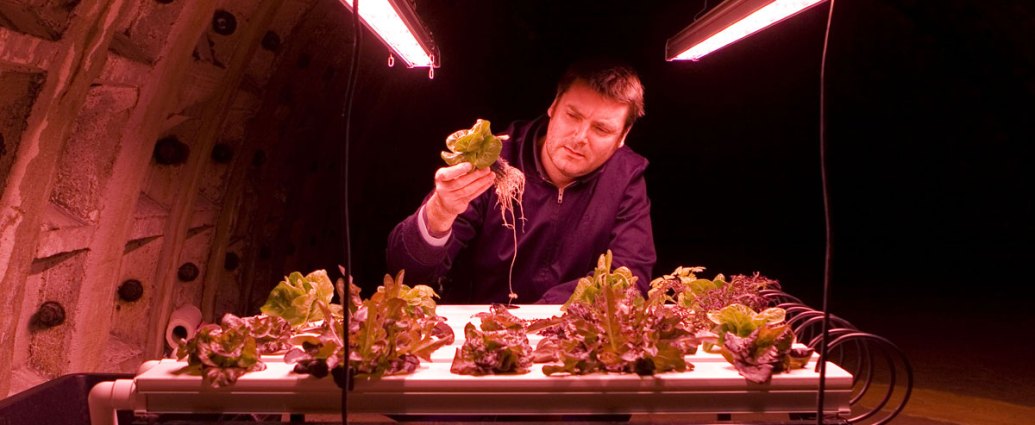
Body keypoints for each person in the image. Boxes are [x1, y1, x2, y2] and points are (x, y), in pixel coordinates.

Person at [386, 59, 656, 304]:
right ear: (553, 106)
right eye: (572, 116)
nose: (580, 137)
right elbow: (407, 273)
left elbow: (629, 278)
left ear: (623, 136)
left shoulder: (626, 175)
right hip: (482, 332)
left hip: (572, 339)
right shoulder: (494, 159)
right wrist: (439, 214)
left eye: (602, 129)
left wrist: (542, 318)